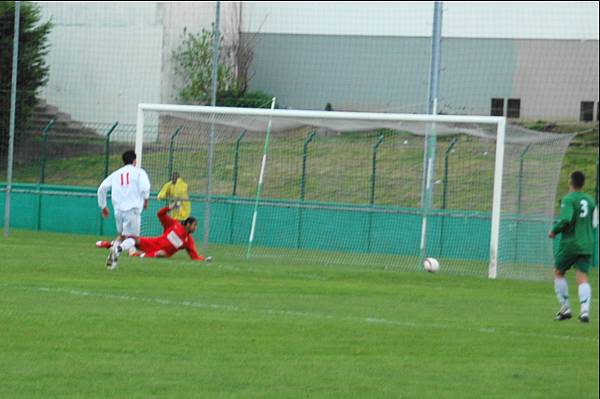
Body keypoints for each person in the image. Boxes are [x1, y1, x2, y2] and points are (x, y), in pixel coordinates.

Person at [549, 171, 597, 323]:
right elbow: (595, 223)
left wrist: (554, 230)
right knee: (582, 277)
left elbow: (565, 219)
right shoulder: (590, 200)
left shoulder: (568, 199)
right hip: (587, 243)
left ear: (571, 182)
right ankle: (584, 312)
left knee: (558, 272)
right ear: (583, 184)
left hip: (570, 244)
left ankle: (566, 308)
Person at [96, 203, 212, 262]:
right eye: (194, 225)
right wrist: (169, 207)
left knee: (161, 254)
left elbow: (194, 256)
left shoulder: (188, 241)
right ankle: (109, 244)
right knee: (129, 237)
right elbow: (160, 214)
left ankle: (136, 255)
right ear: (187, 224)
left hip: (160, 252)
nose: (195, 228)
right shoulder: (174, 225)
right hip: (152, 243)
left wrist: (204, 260)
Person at [97, 149, 151, 270]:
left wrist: (103, 206)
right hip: (132, 210)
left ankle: (112, 262)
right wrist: (146, 200)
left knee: (121, 236)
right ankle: (117, 249)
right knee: (134, 239)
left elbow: (101, 189)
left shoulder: (116, 174)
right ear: (134, 161)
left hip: (118, 210)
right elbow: (145, 187)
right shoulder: (139, 172)